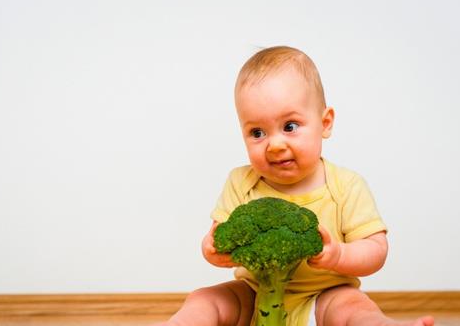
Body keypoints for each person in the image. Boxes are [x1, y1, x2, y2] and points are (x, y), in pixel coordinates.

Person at [154, 46, 434, 326]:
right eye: (257, 133)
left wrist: (339, 255)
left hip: (324, 299)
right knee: (203, 299)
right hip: (253, 296)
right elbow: (221, 236)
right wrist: (212, 249)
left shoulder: (346, 185)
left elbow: (376, 249)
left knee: (354, 307)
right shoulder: (241, 182)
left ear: (325, 123)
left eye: (290, 126)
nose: (275, 146)